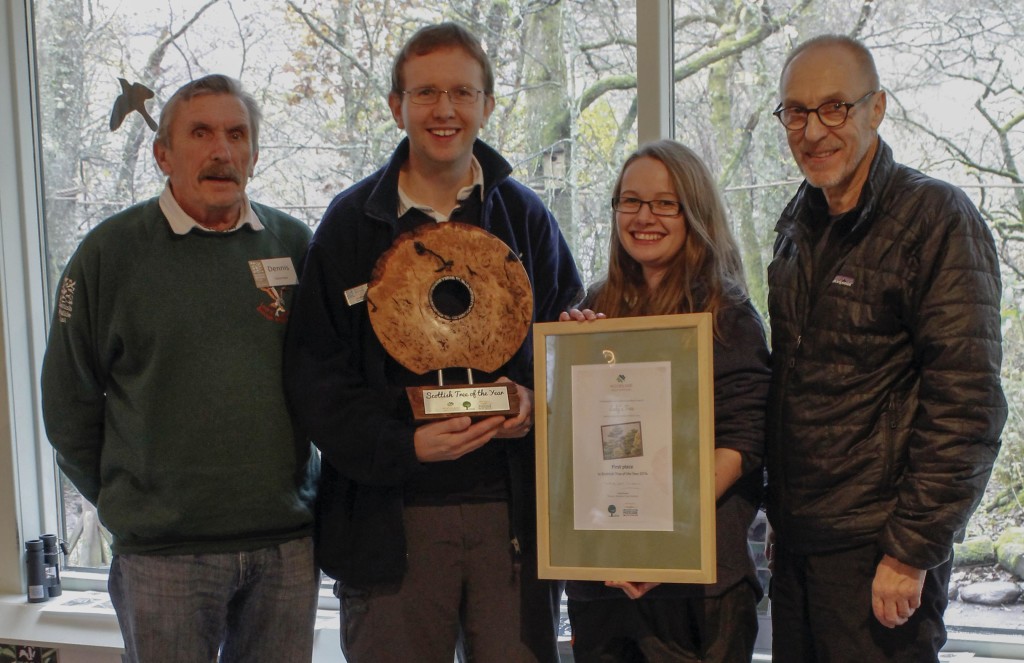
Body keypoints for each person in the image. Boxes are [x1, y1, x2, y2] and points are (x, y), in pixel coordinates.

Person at [282, 22, 582, 663]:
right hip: (391, 524)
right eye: (424, 94)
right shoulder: (349, 225)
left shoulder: (526, 219)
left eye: (462, 93)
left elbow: (569, 351)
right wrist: (403, 444)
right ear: (396, 107)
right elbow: (316, 377)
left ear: (487, 105)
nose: (444, 110)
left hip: (512, 521)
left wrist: (533, 403)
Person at [40, 74, 319, 663]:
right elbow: (68, 407)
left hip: (285, 551)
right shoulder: (109, 255)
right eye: (201, 133)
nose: (222, 150)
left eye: (236, 134)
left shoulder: (293, 244)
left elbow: (329, 380)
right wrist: (129, 502)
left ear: (255, 153)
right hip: (163, 558)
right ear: (163, 153)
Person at [765, 34, 1007, 662]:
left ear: (877, 108)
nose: (813, 130)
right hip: (798, 548)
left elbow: (968, 403)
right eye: (796, 111)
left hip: (880, 555)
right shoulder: (795, 227)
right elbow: (790, 387)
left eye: (834, 107)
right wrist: (778, 516)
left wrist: (911, 550)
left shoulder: (935, 218)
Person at [560, 139, 771, 662]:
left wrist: (659, 541)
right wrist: (565, 363)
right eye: (630, 201)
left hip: (698, 584)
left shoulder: (729, 317)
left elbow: (744, 442)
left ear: (693, 212)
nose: (643, 217)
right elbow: (574, 449)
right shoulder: (593, 309)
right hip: (604, 580)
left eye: (664, 203)